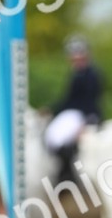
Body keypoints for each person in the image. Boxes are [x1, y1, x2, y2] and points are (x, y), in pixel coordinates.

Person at [43, 35, 104, 182]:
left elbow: (90, 99)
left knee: (58, 138)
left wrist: (88, 119)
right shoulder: (77, 74)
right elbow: (69, 99)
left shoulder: (91, 74)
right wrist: (52, 110)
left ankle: (68, 176)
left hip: (83, 114)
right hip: (75, 112)